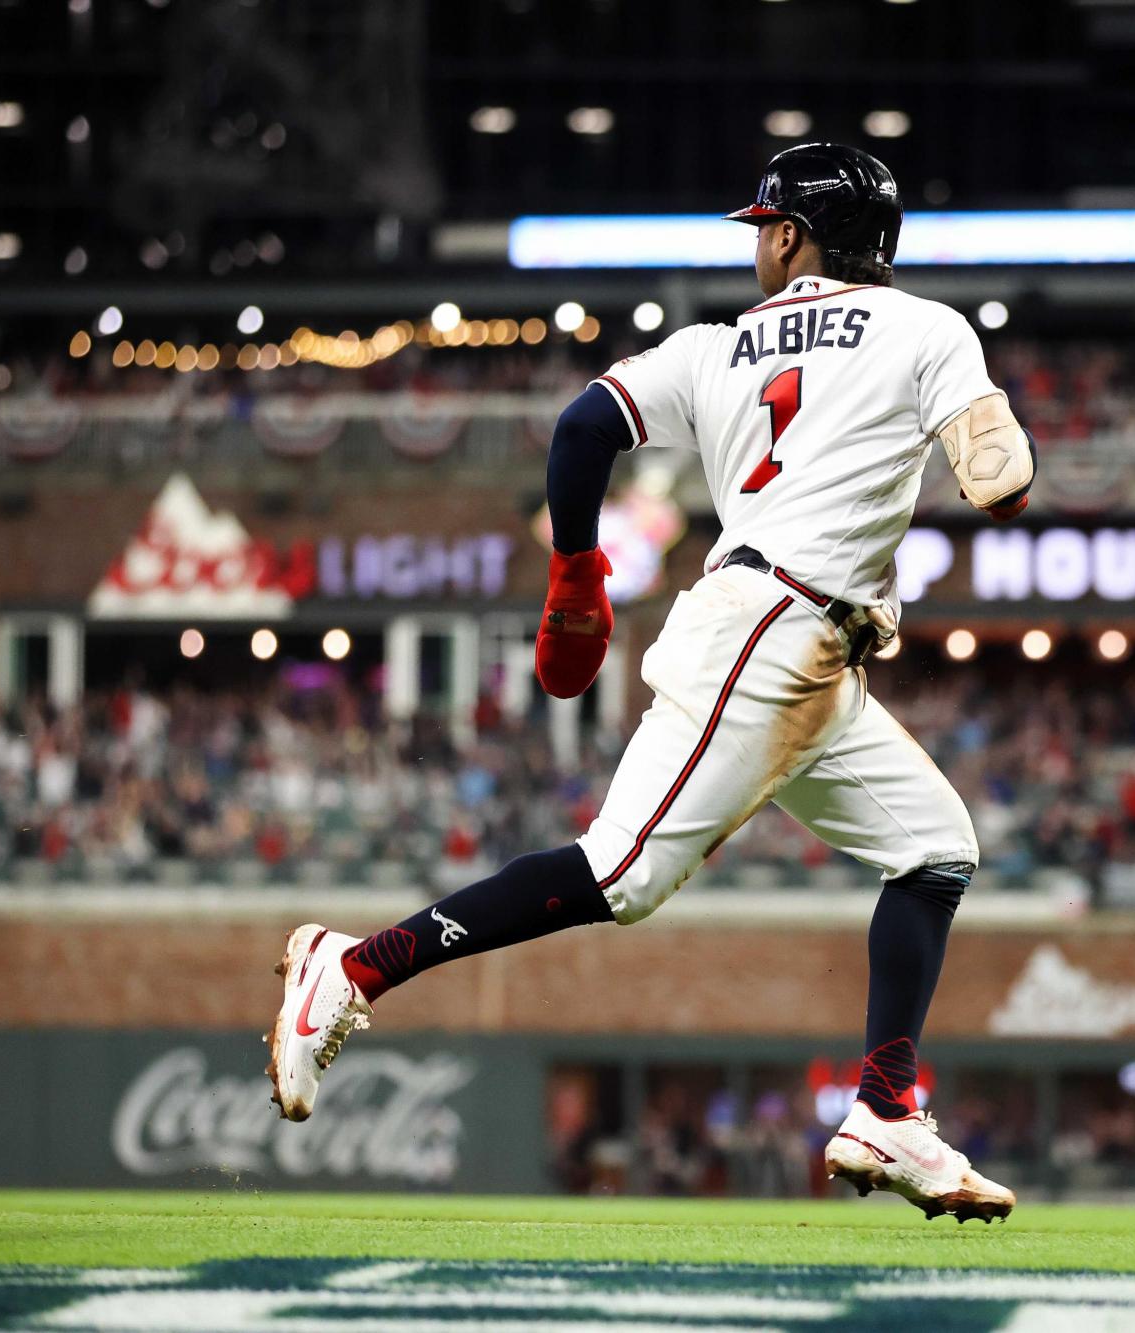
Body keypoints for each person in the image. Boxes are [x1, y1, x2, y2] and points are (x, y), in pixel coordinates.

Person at [266, 144, 1035, 1223]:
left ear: (789, 236)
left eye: (764, 228)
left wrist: (575, 570)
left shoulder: (713, 346)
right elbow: (998, 472)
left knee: (933, 846)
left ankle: (883, 1108)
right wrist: (986, 448)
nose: (759, 245)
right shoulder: (926, 328)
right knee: (620, 875)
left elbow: (583, 427)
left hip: (797, 643)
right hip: (779, 628)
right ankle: (353, 970)